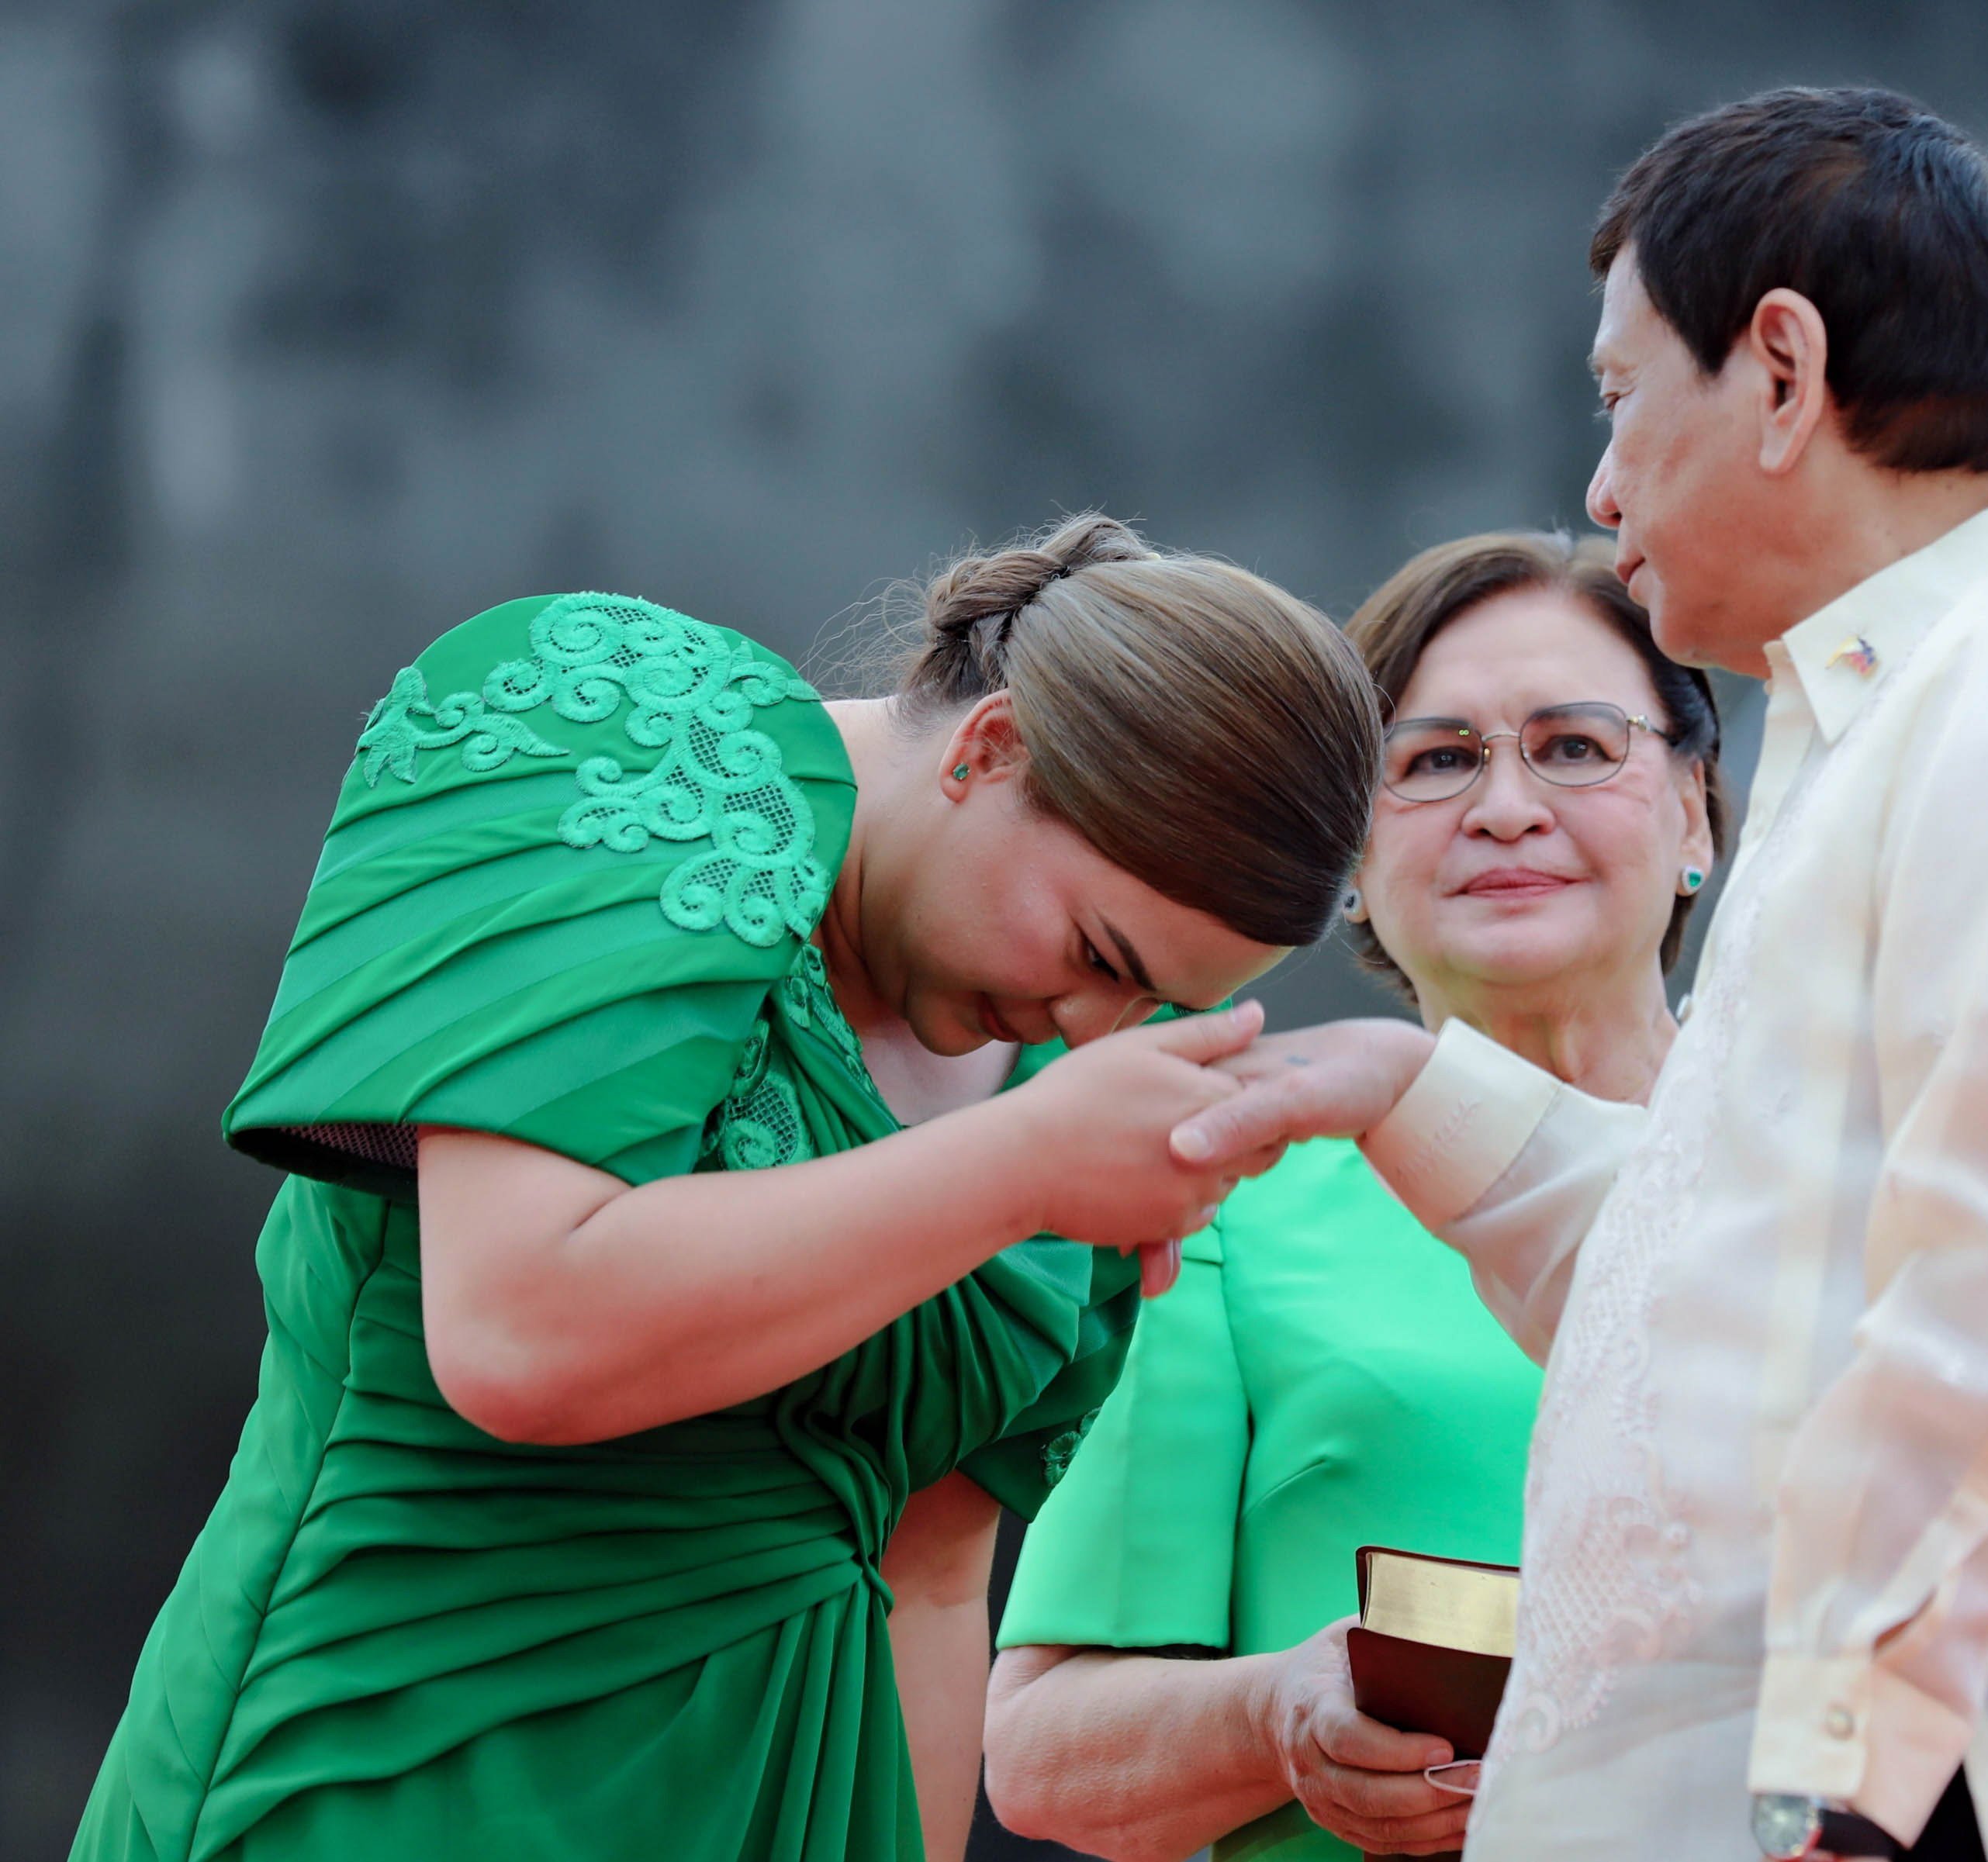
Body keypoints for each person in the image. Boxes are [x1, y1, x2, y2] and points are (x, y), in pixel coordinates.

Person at [1171, 88, 1988, 1862]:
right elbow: (1710, 1315)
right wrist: (1400, 1087)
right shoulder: (1880, 727)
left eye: (1623, 394)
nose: (1600, 481)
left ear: (1779, 371)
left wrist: (1838, 1794)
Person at [71, 514, 1381, 1862]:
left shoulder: (1067, 1091)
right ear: (994, 750)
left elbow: (929, 1588)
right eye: (1100, 951)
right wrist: (1024, 1164)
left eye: (1164, 1002)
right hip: (392, 1764)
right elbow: (521, 1330)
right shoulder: (641, 736)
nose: (1101, 1022)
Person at [980, 531, 1730, 1862]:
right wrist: (1279, 1712)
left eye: (1573, 746)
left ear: (1699, 814)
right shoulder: (1225, 1207)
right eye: (1436, 761)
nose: (1506, 805)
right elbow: (1041, 1752)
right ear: (1355, 865)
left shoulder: (1835, 1168)